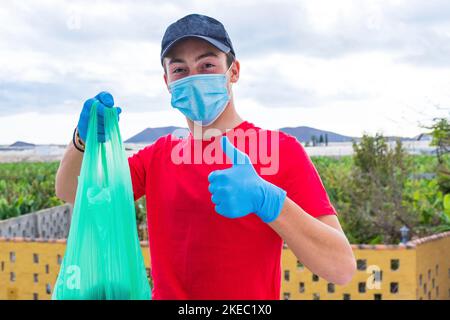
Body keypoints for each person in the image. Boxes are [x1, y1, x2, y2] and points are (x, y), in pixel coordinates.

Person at [55, 13, 356, 300]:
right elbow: (72, 192)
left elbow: (340, 267)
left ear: (233, 71)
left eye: (207, 65)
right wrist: (81, 141)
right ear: (167, 83)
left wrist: (270, 201)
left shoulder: (280, 151)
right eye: (180, 70)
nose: (193, 78)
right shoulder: (158, 157)